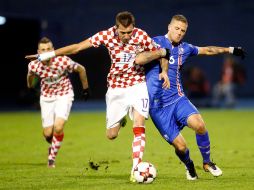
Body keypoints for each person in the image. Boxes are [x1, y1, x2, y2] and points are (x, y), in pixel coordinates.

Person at [25, 11, 169, 181]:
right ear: (116, 28)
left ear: (133, 28)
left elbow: (163, 53)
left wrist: (165, 72)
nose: (126, 36)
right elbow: (77, 47)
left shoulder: (141, 36)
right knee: (111, 135)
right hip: (116, 88)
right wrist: (48, 54)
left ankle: (135, 169)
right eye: (123, 32)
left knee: (139, 124)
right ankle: (121, 119)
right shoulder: (106, 35)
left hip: (138, 85)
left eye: (129, 32)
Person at [138, 14, 245, 180]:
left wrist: (230, 49)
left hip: (178, 98)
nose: (179, 33)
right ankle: (189, 166)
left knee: (200, 125)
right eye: (177, 29)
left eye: (183, 30)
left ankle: (207, 162)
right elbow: (139, 58)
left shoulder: (185, 48)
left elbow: (207, 50)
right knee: (181, 147)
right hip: (158, 107)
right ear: (169, 27)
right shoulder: (153, 42)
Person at [26, 37, 90, 168]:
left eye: (49, 49)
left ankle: (51, 159)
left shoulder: (62, 60)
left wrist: (85, 89)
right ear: (38, 52)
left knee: (59, 127)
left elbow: (81, 69)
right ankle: (53, 144)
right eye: (43, 50)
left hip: (64, 95)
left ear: (53, 50)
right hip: (46, 98)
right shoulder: (33, 65)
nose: (46, 52)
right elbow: (30, 75)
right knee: (48, 134)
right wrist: (30, 87)